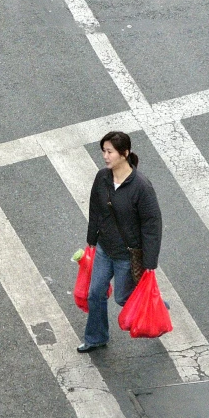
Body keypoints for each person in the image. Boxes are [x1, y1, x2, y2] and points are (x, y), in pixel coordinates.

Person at [77, 131, 162, 353]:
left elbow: (152, 225)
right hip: (105, 249)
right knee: (95, 293)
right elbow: (95, 208)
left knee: (124, 298)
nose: (105, 157)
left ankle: (158, 308)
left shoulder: (141, 186)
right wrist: (92, 239)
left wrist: (150, 262)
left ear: (124, 154)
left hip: (127, 254)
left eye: (109, 152)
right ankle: (96, 337)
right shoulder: (102, 178)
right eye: (104, 151)